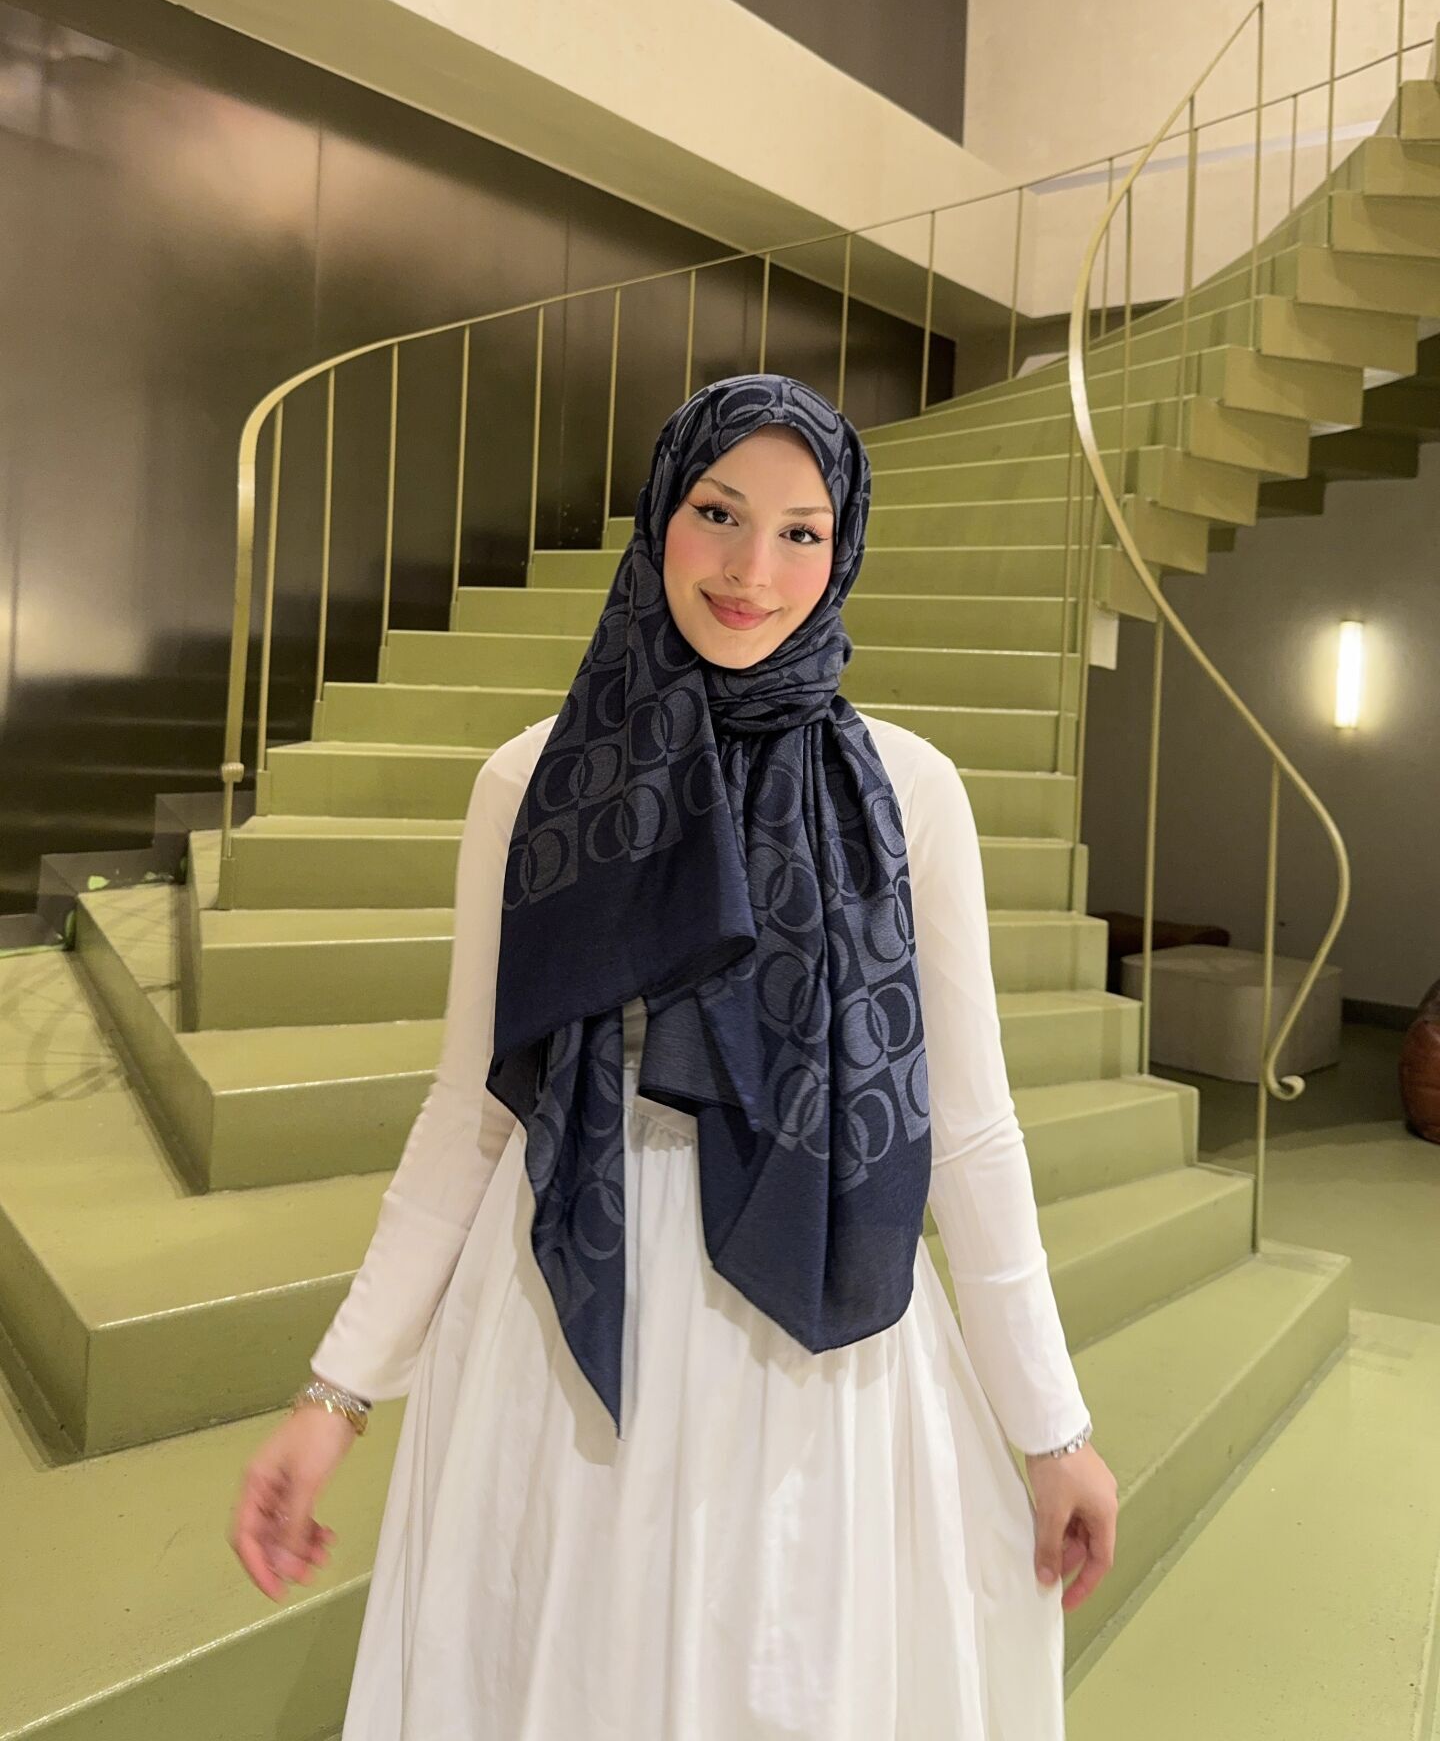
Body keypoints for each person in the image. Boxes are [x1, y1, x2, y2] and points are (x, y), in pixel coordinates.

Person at [229, 372, 1119, 1737]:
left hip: (808, 1324)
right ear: (659, 517)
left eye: (801, 531)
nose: (754, 570)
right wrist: (333, 1396)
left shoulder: (907, 793)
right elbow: (475, 1114)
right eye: (718, 513)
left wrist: (1052, 1429)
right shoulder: (532, 784)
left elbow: (968, 1127)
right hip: (565, 1314)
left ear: (843, 548)